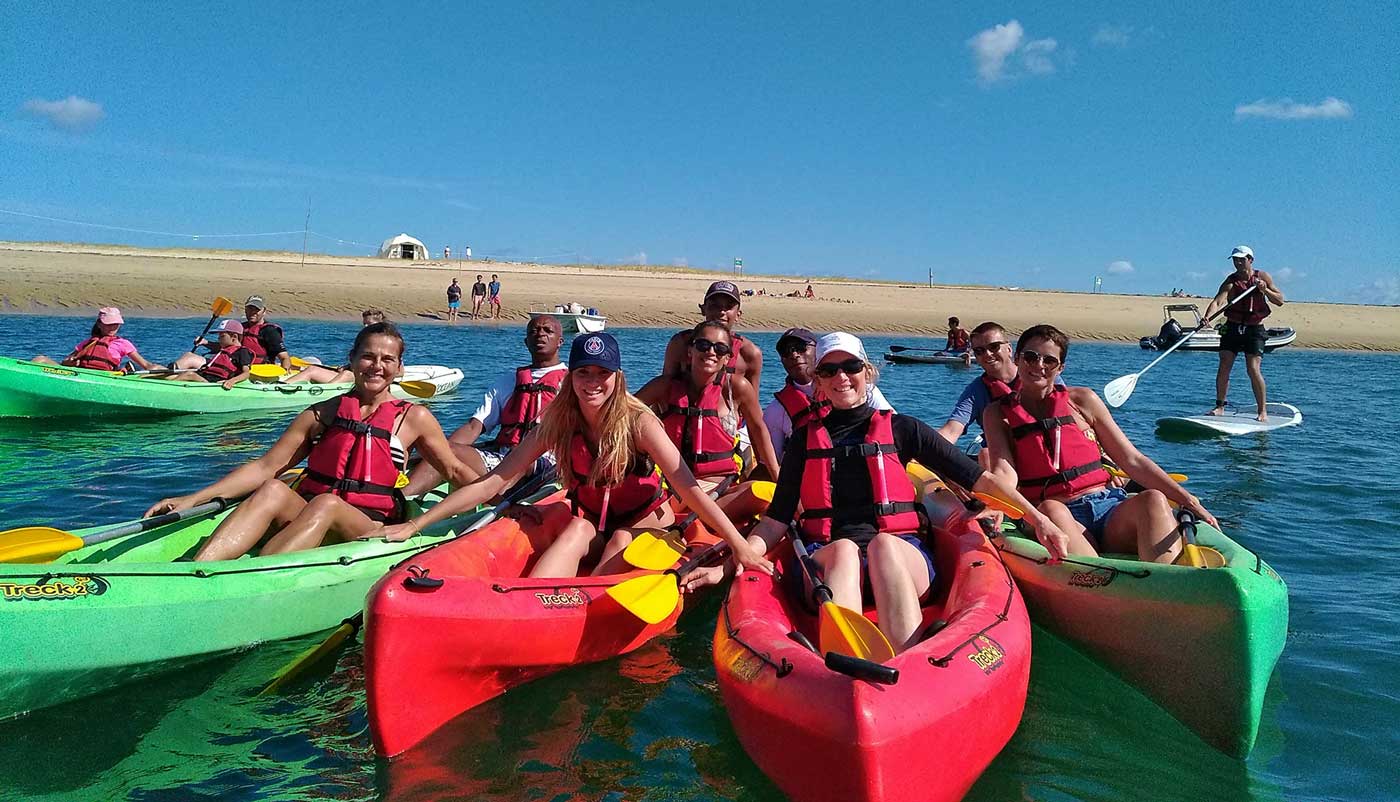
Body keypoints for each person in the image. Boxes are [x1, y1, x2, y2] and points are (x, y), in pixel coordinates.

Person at [686, 332, 1069, 653]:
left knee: (884, 546)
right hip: (829, 561)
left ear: (868, 372)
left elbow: (980, 481)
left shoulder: (904, 429)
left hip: (902, 559)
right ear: (818, 380)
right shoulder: (804, 441)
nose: (842, 377)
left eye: (851, 367)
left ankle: (909, 656)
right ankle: (845, 661)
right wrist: (733, 561)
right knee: (845, 552)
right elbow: (776, 520)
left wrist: (1037, 520)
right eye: (829, 370)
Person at [374, 332, 775, 581]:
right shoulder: (559, 421)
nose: (593, 383)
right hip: (590, 522)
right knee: (575, 531)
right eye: (584, 373)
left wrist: (739, 545)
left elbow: (689, 488)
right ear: (572, 376)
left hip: (642, 524)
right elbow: (495, 481)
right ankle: (529, 603)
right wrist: (417, 525)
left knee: (619, 536)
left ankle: (575, 604)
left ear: (617, 377)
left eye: (603, 374)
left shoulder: (639, 422)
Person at [144, 323, 473, 561]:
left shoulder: (413, 417)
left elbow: (454, 471)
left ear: (399, 368)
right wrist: (193, 498)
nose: (377, 366)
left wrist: (501, 503)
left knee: (327, 505)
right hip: (309, 513)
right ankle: (200, 572)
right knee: (274, 489)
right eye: (368, 357)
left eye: (387, 359)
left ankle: (258, 575)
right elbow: (266, 467)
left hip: (366, 524)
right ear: (352, 360)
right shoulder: (324, 412)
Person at [983, 325, 1215, 565]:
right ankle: (1101, 584)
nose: (1038, 365)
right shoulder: (997, 414)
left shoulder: (1083, 400)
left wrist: (1188, 500)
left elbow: (1132, 460)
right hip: (1056, 512)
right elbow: (1004, 469)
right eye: (1031, 357)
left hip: (1108, 507)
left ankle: (1167, 585)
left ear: (1060, 367)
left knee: (1153, 499)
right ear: (1018, 359)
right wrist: (997, 501)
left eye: (1049, 361)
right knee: (1052, 508)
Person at [402, 315, 567, 495]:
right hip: (503, 459)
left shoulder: (571, 384)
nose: (540, 335)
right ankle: (400, 500)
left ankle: (499, 499)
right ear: (526, 342)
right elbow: (474, 427)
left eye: (547, 331)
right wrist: (440, 451)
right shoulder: (508, 381)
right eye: (533, 331)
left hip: (547, 464)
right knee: (445, 450)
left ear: (560, 342)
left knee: (520, 460)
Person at [636, 320, 780, 522]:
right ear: (690, 351)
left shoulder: (737, 388)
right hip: (670, 487)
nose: (711, 352)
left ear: (727, 358)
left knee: (762, 492)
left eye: (720, 348)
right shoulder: (665, 386)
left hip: (718, 488)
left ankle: (702, 517)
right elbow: (625, 414)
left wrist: (778, 478)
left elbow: (758, 430)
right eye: (703, 345)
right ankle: (696, 517)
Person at [762, 327, 893, 463]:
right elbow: (771, 463)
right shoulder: (776, 410)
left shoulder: (864, 391)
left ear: (817, 351)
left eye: (801, 347)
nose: (794, 355)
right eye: (786, 351)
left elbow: (890, 428)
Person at [937, 321, 1064, 449]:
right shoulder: (976, 390)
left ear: (1009, 349)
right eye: (979, 351)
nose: (987, 354)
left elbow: (1067, 415)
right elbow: (952, 429)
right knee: (984, 455)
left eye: (994, 347)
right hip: (999, 457)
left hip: (1044, 451)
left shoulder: (1042, 377)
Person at [1202, 246, 1286, 421]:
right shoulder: (1231, 281)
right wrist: (1207, 317)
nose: (1238, 262)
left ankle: (1262, 411)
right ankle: (1219, 407)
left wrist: (1264, 290)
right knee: (1224, 364)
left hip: (1254, 329)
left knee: (1253, 369)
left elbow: (1279, 301)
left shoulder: (1262, 277)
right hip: (1232, 327)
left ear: (1250, 260)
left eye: (1241, 259)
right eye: (1235, 260)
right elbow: (1218, 301)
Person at [170, 296, 290, 372]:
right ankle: (166, 374)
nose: (252, 312)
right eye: (249, 309)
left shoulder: (270, 331)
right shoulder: (240, 327)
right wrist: (205, 343)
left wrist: (282, 378)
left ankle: (166, 377)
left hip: (252, 371)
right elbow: (228, 349)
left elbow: (284, 358)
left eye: (256, 310)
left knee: (191, 360)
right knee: (188, 356)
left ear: (264, 311)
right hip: (229, 364)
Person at [285, 310, 399, 385]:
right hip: (351, 373)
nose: (365, 327)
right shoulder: (363, 340)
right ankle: (279, 387)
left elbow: (400, 371)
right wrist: (347, 366)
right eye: (364, 324)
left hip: (358, 376)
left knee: (346, 374)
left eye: (369, 324)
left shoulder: (389, 343)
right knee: (312, 369)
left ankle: (326, 394)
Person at [32, 307, 160, 372]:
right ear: (99, 324)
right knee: (40, 359)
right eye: (109, 324)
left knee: (154, 369)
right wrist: (70, 362)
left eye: (116, 324)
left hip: (104, 377)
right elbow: (65, 361)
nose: (113, 327)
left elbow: (146, 365)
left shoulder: (123, 344)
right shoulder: (88, 343)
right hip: (80, 374)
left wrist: (159, 369)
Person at [162, 319, 254, 388]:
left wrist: (231, 381)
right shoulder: (223, 351)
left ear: (234, 337)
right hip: (204, 378)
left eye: (222, 336)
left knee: (189, 374)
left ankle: (164, 390)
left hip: (213, 384)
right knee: (167, 376)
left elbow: (246, 373)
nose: (218, 339)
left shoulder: (242, 352)